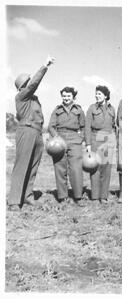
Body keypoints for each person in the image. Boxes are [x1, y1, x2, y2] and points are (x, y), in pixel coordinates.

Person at [7, 56, 55, 211]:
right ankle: (14, 200)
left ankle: (27, 196)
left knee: (33, 166)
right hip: (26, 131)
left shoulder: (34, 99)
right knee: (22, 165)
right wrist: (44, 66)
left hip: (37, 132)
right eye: (27, 83)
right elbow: (34, 83)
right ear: (23, 86)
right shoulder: (21, 96)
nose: (30, 84)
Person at [48, 87, 85, 206]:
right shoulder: (57, 110)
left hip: (75, 139)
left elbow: (83, 126)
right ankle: (63, 197)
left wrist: (81, 138)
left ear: (73, 97)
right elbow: (51, 127)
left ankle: (78, 196)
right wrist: (56, 138)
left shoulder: (79, 110)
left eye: (68, 96)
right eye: (64, 96)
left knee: (76, 168)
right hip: (60, 139)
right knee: (60, 168)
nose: (66, 98)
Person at [85, 85, 116, 204]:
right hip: (95, 139)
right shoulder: (92, 108)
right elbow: (87, 127)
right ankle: (94, 196)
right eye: (96, 94)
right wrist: (88, 144)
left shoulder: (112, 109)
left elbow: (114, 125)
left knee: (106, 168)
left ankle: (103, 196)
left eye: (99, 94)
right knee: (95, 168)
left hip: (108, 140)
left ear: (106, 96)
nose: (97, 96)